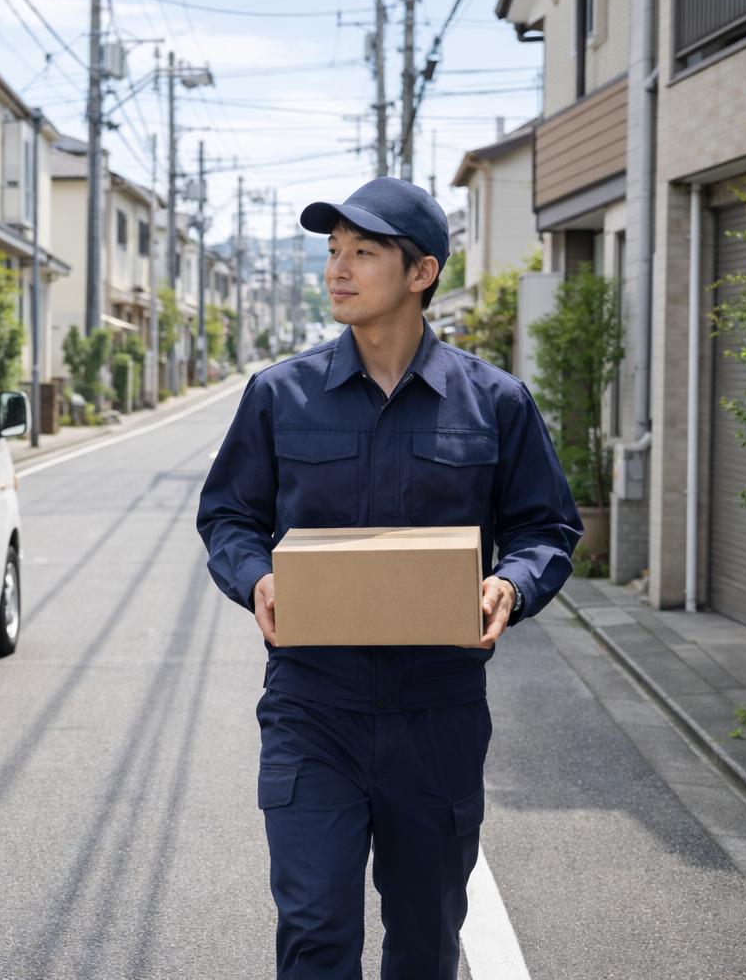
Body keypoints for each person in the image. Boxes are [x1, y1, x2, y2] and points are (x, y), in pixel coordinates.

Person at [197, 177, 580, 980]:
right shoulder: (278, 396)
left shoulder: (494, 403)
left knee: (425, 944)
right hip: (312, 708)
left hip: (437, 715)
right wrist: (256, 577)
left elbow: (545, 528)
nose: (337, 268)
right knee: (314, 932)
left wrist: (509, 585)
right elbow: (228, 517)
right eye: (333, 251)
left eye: (363, 252)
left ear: (421, 272)